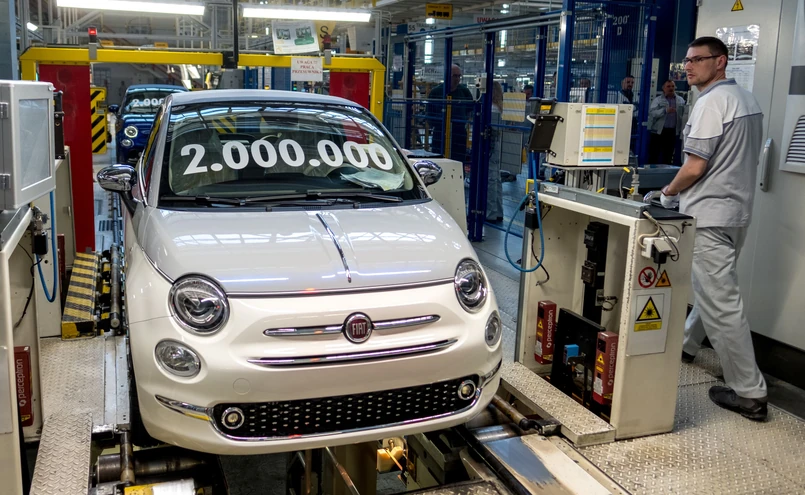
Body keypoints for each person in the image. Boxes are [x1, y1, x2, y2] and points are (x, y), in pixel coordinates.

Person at [659, 36, 766, 420]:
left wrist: (667, 194)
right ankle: (688, 343)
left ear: (720, 62)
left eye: (697, 60)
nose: (688, 67)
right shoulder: (747, 99)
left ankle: (749, 393)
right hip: (736, 212)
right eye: (686, 61)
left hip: (709, 215)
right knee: (716, 290)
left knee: (722, 305)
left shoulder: (711, 103)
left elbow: (694, 167)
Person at [427, 64, 474, 163]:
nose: (457, 79)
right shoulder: (436, 92)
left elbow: (470, 109)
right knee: (439, 160)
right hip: (440, 133)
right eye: (455, 76)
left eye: (459, 76)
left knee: (458, 161)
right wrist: (437, 124)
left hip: (459, 133)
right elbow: (429, 113)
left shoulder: (464, 91)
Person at [648, 80, 686, 163]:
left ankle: (666, 169)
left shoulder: (680, 100)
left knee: (668, 154)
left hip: (672, 132)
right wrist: (664, 111)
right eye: (668, 86)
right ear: (663, 88)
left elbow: (684, 114)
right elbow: (652, 113)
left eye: (673, 86)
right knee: (654, 154)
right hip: (659, 132)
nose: (671, 88)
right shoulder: (658, 100)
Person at [486, 82, 504, 223]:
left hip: (490, 145)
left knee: (491, 178)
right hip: (497, 144)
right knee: (496, 178)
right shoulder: (500, 107)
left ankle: (490, 213)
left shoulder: (491, 109)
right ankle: (498, 211)